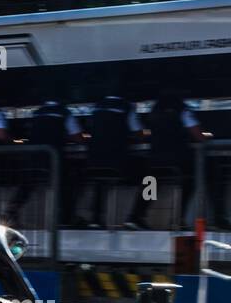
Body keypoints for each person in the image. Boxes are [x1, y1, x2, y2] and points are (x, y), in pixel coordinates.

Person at [7, 99, 82, 227]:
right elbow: (77, 137)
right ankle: (65, 219)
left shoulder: (37, 113)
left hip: (33, 159)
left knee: (26, 186)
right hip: (53, 160)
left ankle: (10, 214)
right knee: (67, 182)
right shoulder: (64, 112)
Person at [141, 90, 206, 230]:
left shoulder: (154, 113)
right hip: (177, 161)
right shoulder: (183, 111)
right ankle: (178, 219)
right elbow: (198, 136)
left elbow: (146, 134)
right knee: (190, 181)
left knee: (150, 182)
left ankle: (137, 216)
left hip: (155, 160)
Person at [85, 95, 142, 228]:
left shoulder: (96, 107)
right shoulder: (127, 107)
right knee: (150, 178)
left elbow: (87, 131)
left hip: (93, 162)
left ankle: (95, 220)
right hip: (117, 163)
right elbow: (138, 132)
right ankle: (135, 217)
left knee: (100, 180)